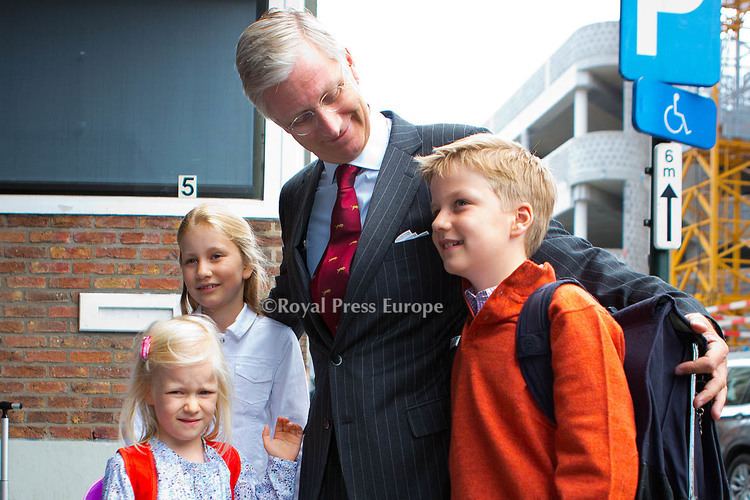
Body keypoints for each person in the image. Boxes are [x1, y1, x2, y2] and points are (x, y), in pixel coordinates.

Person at [234, 8, 728, 499]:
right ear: (277, 124)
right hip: (325, 470)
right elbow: (294, 304)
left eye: (331, 93)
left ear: (348, 62)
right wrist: (209, 321)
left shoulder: (453, 152)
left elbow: (561, 251)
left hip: (429, 469)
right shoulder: (296, 194)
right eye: (301, 118)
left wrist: (689, 316)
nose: (331, 124)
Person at [418, 133, 638, 498]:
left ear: (519, 219)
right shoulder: (472, 324)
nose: (439, 222)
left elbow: (603, 472)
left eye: (460, 204)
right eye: (436, 209)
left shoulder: (567, 312)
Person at [103, 315, 303, 499]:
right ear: (149, 391)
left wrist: (281, 463)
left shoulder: (229, 462)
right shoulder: (131, 467)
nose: (191, 406)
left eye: (204, 392)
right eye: (177, 392)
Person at [177, 203, 310, 479]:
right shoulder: (171, 342)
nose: (202, 270)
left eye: (215, 256)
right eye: (191, 260)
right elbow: (144, 428)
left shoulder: (279, 341)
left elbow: (293, 435)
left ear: (247, 264)